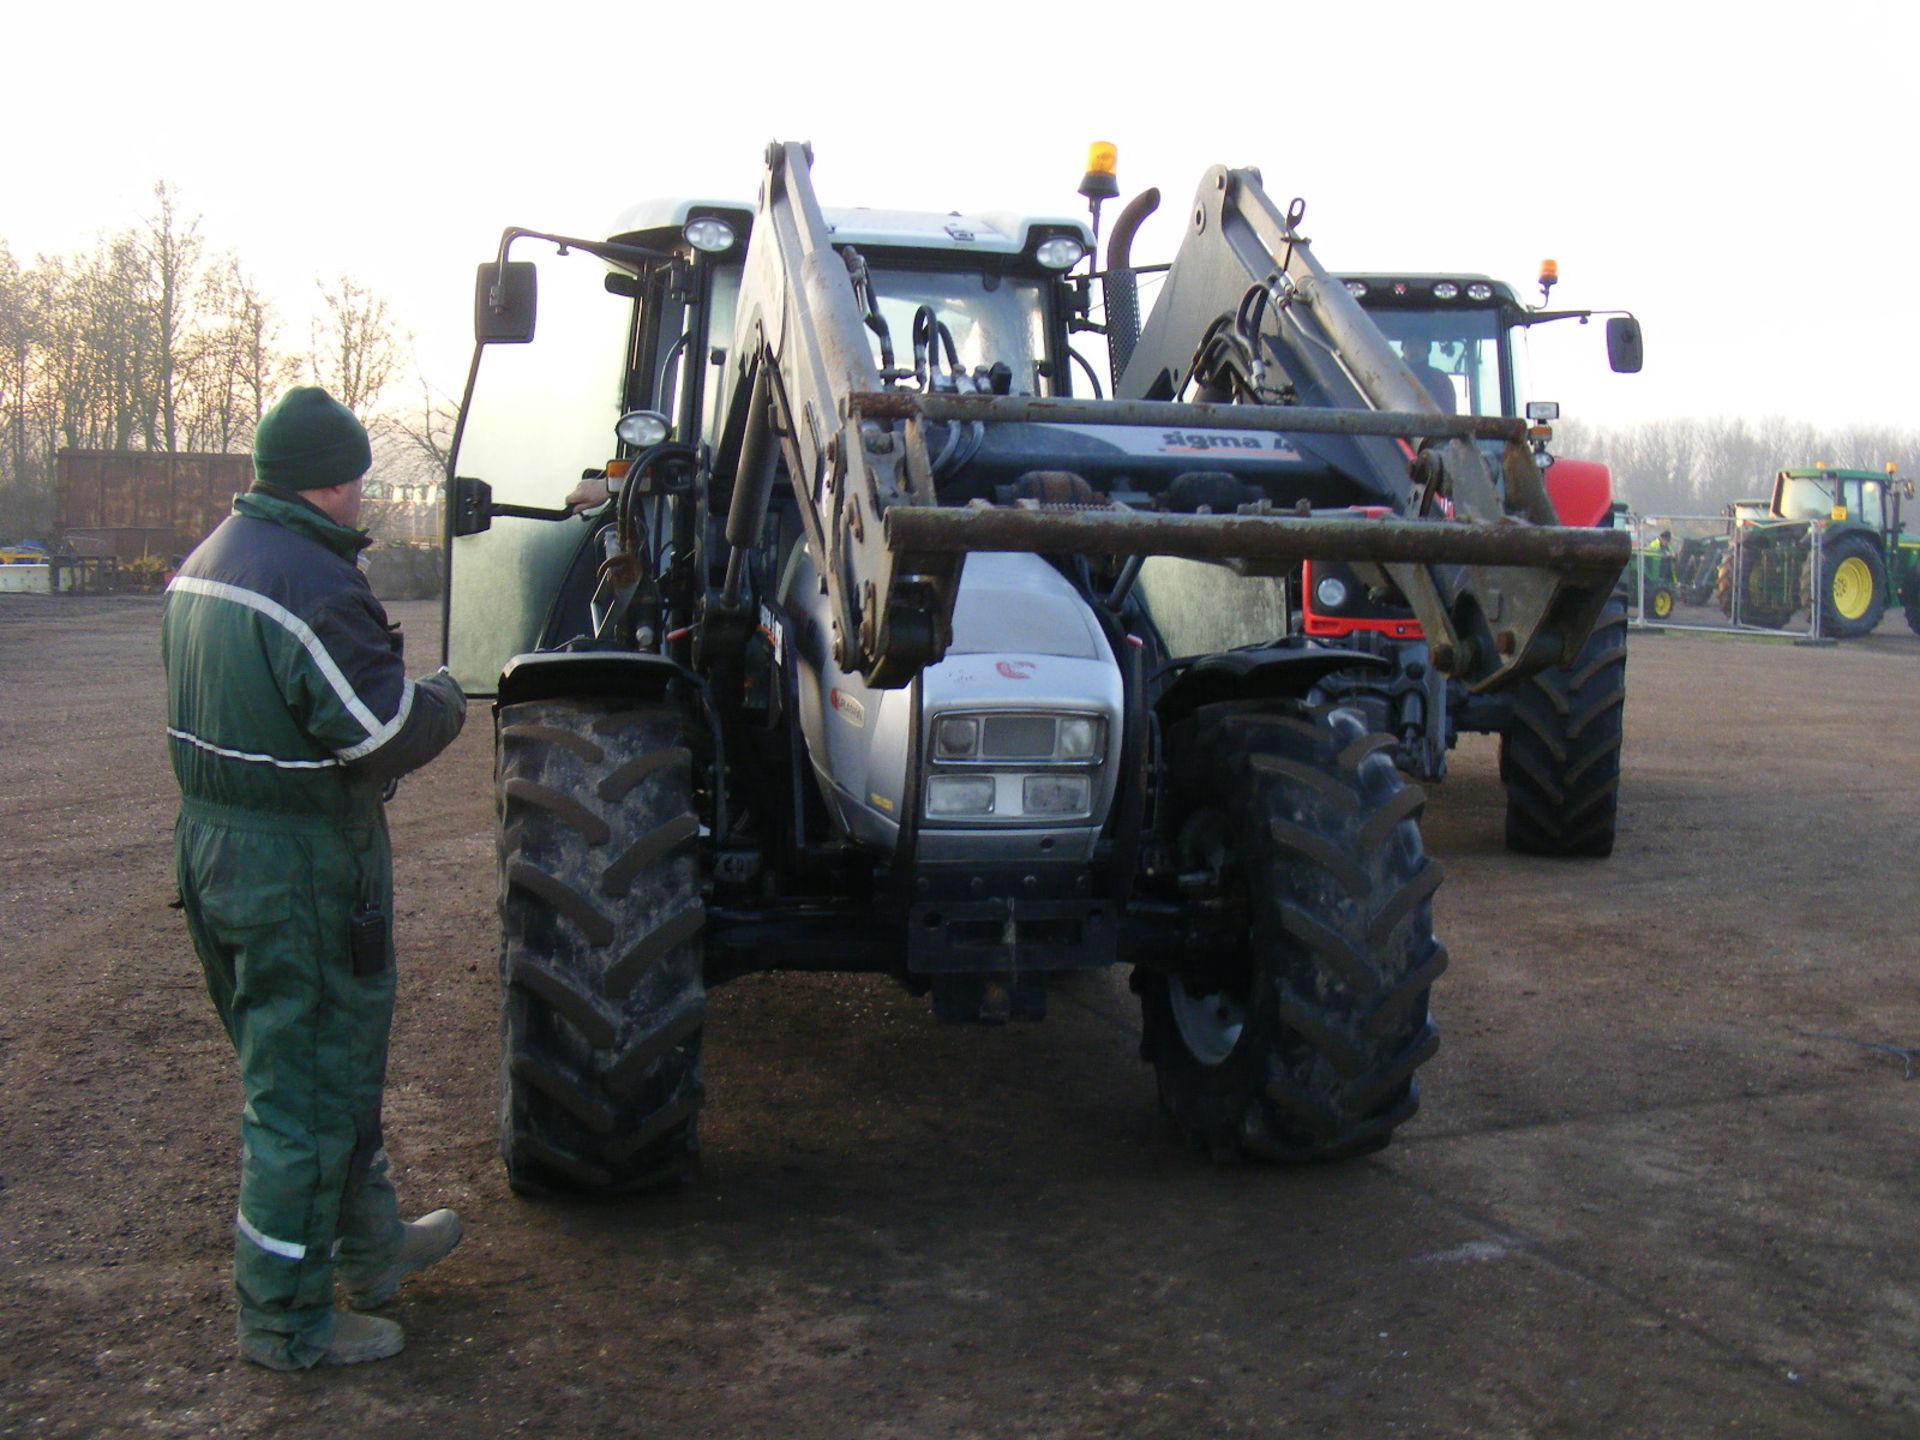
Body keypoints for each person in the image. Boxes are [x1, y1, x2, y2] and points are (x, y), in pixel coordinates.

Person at [163, 386, 469, 1370]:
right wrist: (449, 700)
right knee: (297, 1100)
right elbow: (378, 733)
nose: (362, 497)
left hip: (219, 850)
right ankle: (287, 1322)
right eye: (358, 480)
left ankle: (371, 1251)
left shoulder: (207, 564)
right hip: (295, 869)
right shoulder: (308, 582)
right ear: (331, 481)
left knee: (329, 1075)